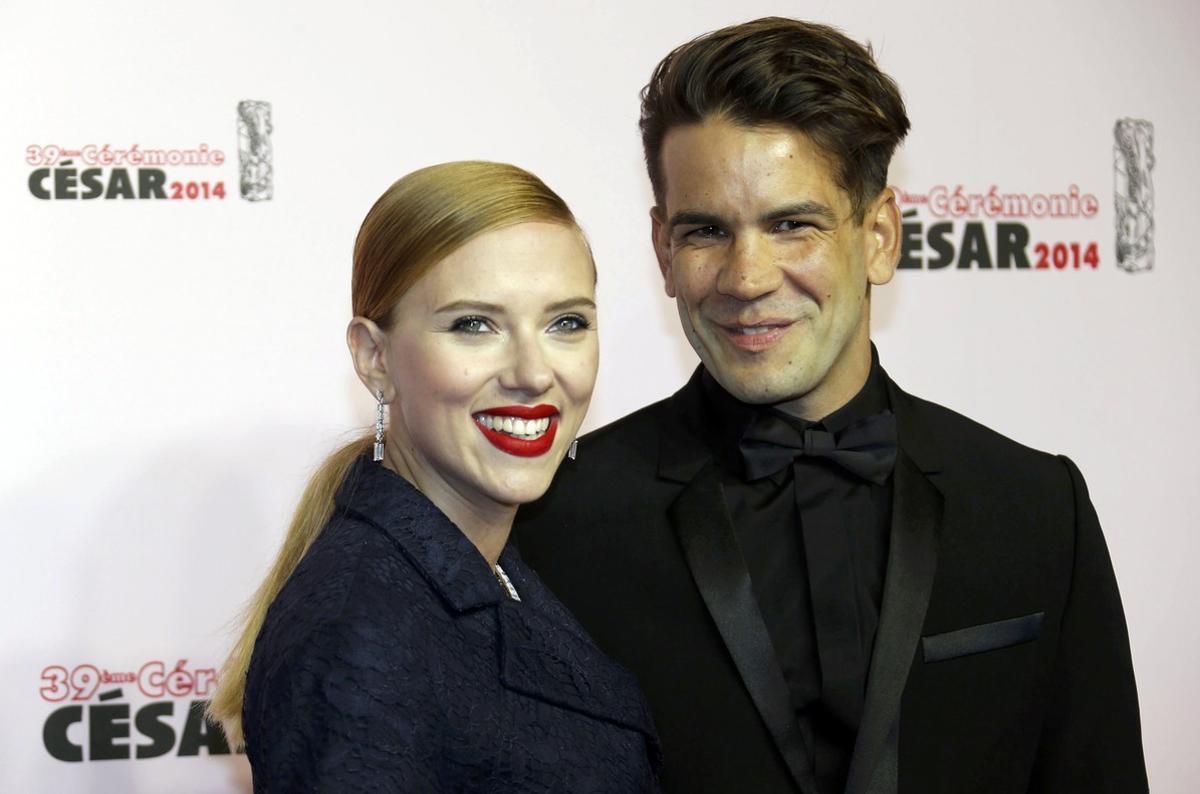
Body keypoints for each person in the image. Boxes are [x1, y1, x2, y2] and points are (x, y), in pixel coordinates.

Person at [515, 18, 1146, 794]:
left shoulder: (1036, 510)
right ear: (662, 251)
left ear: (879, 235)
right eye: (707, 231)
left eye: (792, 225)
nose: (747, 278)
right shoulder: (559, 525)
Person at [208, 161, 661, 792]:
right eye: (474, 324)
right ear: (375, 358)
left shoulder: (491, 565)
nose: (532, 372)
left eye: (566, 322)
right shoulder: (358, 633)